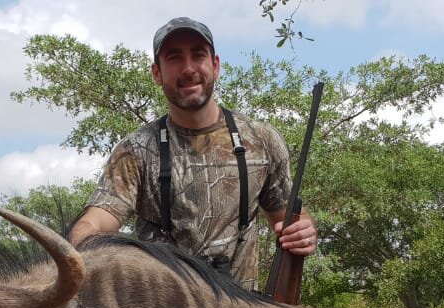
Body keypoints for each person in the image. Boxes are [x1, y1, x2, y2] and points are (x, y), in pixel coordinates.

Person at [68, 17, 317, 290]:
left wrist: (303, 232)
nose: (188, 69)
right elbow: (95, 222)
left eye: (198, 55)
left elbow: (290, 220)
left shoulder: (262, 140)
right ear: (156, 73)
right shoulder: (136, 150)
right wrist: (81, 241)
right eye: (174, 58)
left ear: (215, 65)